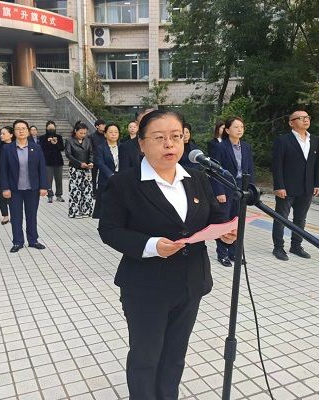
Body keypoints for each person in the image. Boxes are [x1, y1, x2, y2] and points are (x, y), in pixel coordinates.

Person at [98, 110, 237, 400]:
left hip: (190, 283)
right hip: (146, 287)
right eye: (159, 137)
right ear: (141, 143)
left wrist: (224, 232)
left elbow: (213, 216)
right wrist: (151, 245)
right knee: (146, 356)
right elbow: (109, 230)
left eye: (176, 136)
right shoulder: (123, 183)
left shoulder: (196, 178)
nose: (169, 144)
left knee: (175, 355)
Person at [272, 110, 319, 261]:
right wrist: (279, 186)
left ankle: (296, 246)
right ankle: (278, 247)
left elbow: (317, 164)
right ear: (291, 123)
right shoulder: (283, 140)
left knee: (300, 219)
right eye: (301, 118)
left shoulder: (314, 140)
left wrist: (317, 183)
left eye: (307, 117)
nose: (305, 120)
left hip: (307, 187)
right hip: (287, 188)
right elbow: (277, 165)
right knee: (281, 218)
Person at [210, 117, 255, 266]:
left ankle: (234, 253)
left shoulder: (246, 147)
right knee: (225, 221)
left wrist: (251, 189)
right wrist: (219, 191)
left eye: (242, 127)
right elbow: (214, 171)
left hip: (242, 187)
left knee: (237, 221)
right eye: (236, 127)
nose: (240, 129)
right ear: (228, 130)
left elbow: (250, 169)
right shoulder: (220, 147)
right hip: (226, 187)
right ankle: (222, 254)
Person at [0, 120, 48, 252]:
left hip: (32, 188)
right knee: (16, 217)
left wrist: (44, 186)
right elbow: (3, 170)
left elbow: (42, 168)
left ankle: (33, 240)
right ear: (14, 132)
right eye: (18, 129)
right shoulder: (7, 149)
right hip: (14, 189)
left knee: (31, 215)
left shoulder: (36, 148)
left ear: (28, 131)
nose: (21, 131)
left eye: (23, 128)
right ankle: (18, 242)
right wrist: (5, 188)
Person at [65, 122, 94, 218]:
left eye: (85, 133)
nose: (83, 135)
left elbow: (91, 153)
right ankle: (75, 211)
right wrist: (79, 163)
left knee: (87, 190)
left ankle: (87, 211)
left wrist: (91, 162)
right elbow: (68, 154)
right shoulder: (69, 141)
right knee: (75, 190)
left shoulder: (88, 141)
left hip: (87, 169)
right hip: (75, 168)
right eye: (81, 133)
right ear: (75, 131)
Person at [92, 123, 120, 219]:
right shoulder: (100, 148)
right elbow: (100, 163)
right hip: (106, 180)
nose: (113, 134)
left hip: (120, 180)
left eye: (116, 132)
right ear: (105, 134)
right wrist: (111, 175)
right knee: (104, 207)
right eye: (111, 132)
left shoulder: (123, 147)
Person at [38, 120, 65, 203]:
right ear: (46, 128)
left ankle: (59, 195)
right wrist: (48, 142)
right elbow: (41, 148)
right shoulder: (42, 137)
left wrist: (56, 143)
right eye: (49, 128)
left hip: (58, 161)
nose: (51, 130)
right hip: (47, 161)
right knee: (48, 180)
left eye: (53, 128)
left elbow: (62, 148)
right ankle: (49, 195)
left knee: (59, 179)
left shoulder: (59, 137)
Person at [0, 126, 14, 225]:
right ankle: (5, 215)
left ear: (11, 135)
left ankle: (14, 214)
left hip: (13, 174)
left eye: (4, 133)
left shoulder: (15, 145)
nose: (1, 135)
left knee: (14, 196)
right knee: (1, 195)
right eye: (1, 134)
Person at [89, 118, 106, 193]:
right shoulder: (91, 136)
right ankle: (94, 192)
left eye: (104, 124)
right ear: (97, 126)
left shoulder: (107, 135)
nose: (104, 126)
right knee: (94, 177)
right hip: (95, 160)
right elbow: (90, 149)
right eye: (102, 125)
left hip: (105, 159)